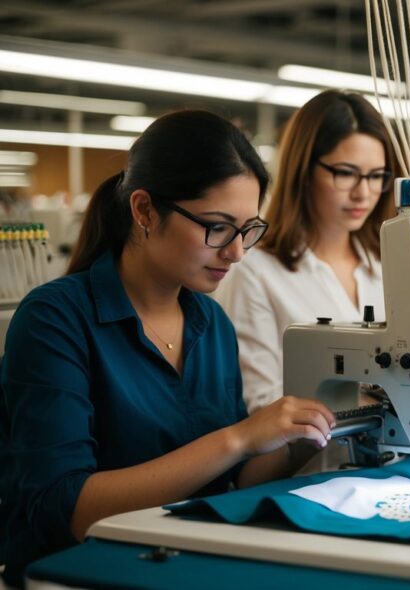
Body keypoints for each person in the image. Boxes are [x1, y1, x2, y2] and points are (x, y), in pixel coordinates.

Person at [0, 110, 337, 586]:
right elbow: (67, 509)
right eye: (217, 227)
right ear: (144, 211)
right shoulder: (55, 319)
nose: (237, 252)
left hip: (184, 567)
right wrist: (239, 437)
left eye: (247, 230)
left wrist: (305, 433)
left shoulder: (210, 322)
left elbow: (228, 482)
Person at [216, 91, 397, 413]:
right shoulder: (254, 272)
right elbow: (260, 405)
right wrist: (374, 400)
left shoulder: (388, 267)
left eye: (376, 176)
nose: (363, 193)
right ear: (304, 169)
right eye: (345, 173)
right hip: (310, 463)